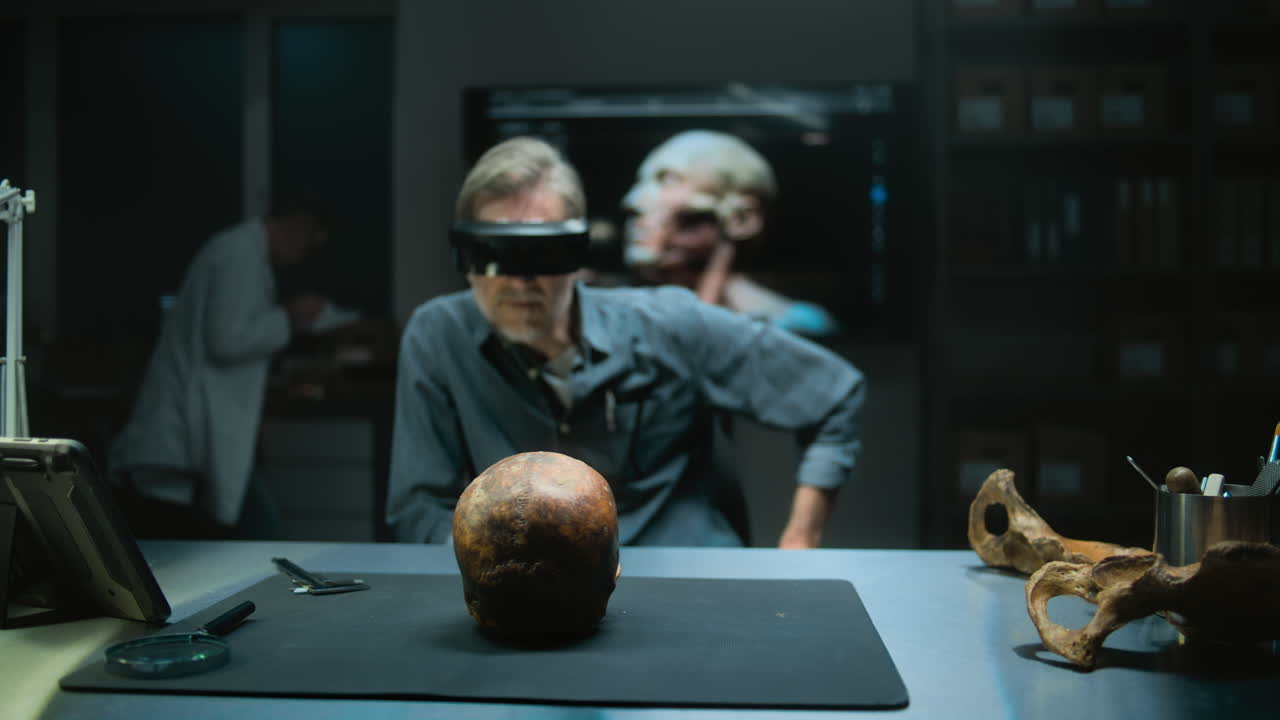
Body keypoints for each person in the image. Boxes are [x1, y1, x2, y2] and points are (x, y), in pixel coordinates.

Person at [386, 137, 865, 548]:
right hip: (532, 593)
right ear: (463, 252)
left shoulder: (668, 324)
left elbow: (835, 392)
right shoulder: (441, 336)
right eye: (492, 254)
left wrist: (799, 545)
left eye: (544, 252)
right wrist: (495, 569)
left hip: (685, 576)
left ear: (578, 252)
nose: (519, 281)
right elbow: (419, 508)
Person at [109, 206, 332, 539]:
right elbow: (226, 341)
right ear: (295, 226)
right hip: (180, 435)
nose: (302, 257)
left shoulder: (244, 254)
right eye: (308, 245)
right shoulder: (239, 254)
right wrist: (288, 316)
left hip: (191, 435)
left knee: (233, 535)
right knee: (248, 536)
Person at [621, 129, 839, 337]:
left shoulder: (791, 323)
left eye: (668, 179)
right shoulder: (627, 316)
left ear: (741, 219)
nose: (636, 209)